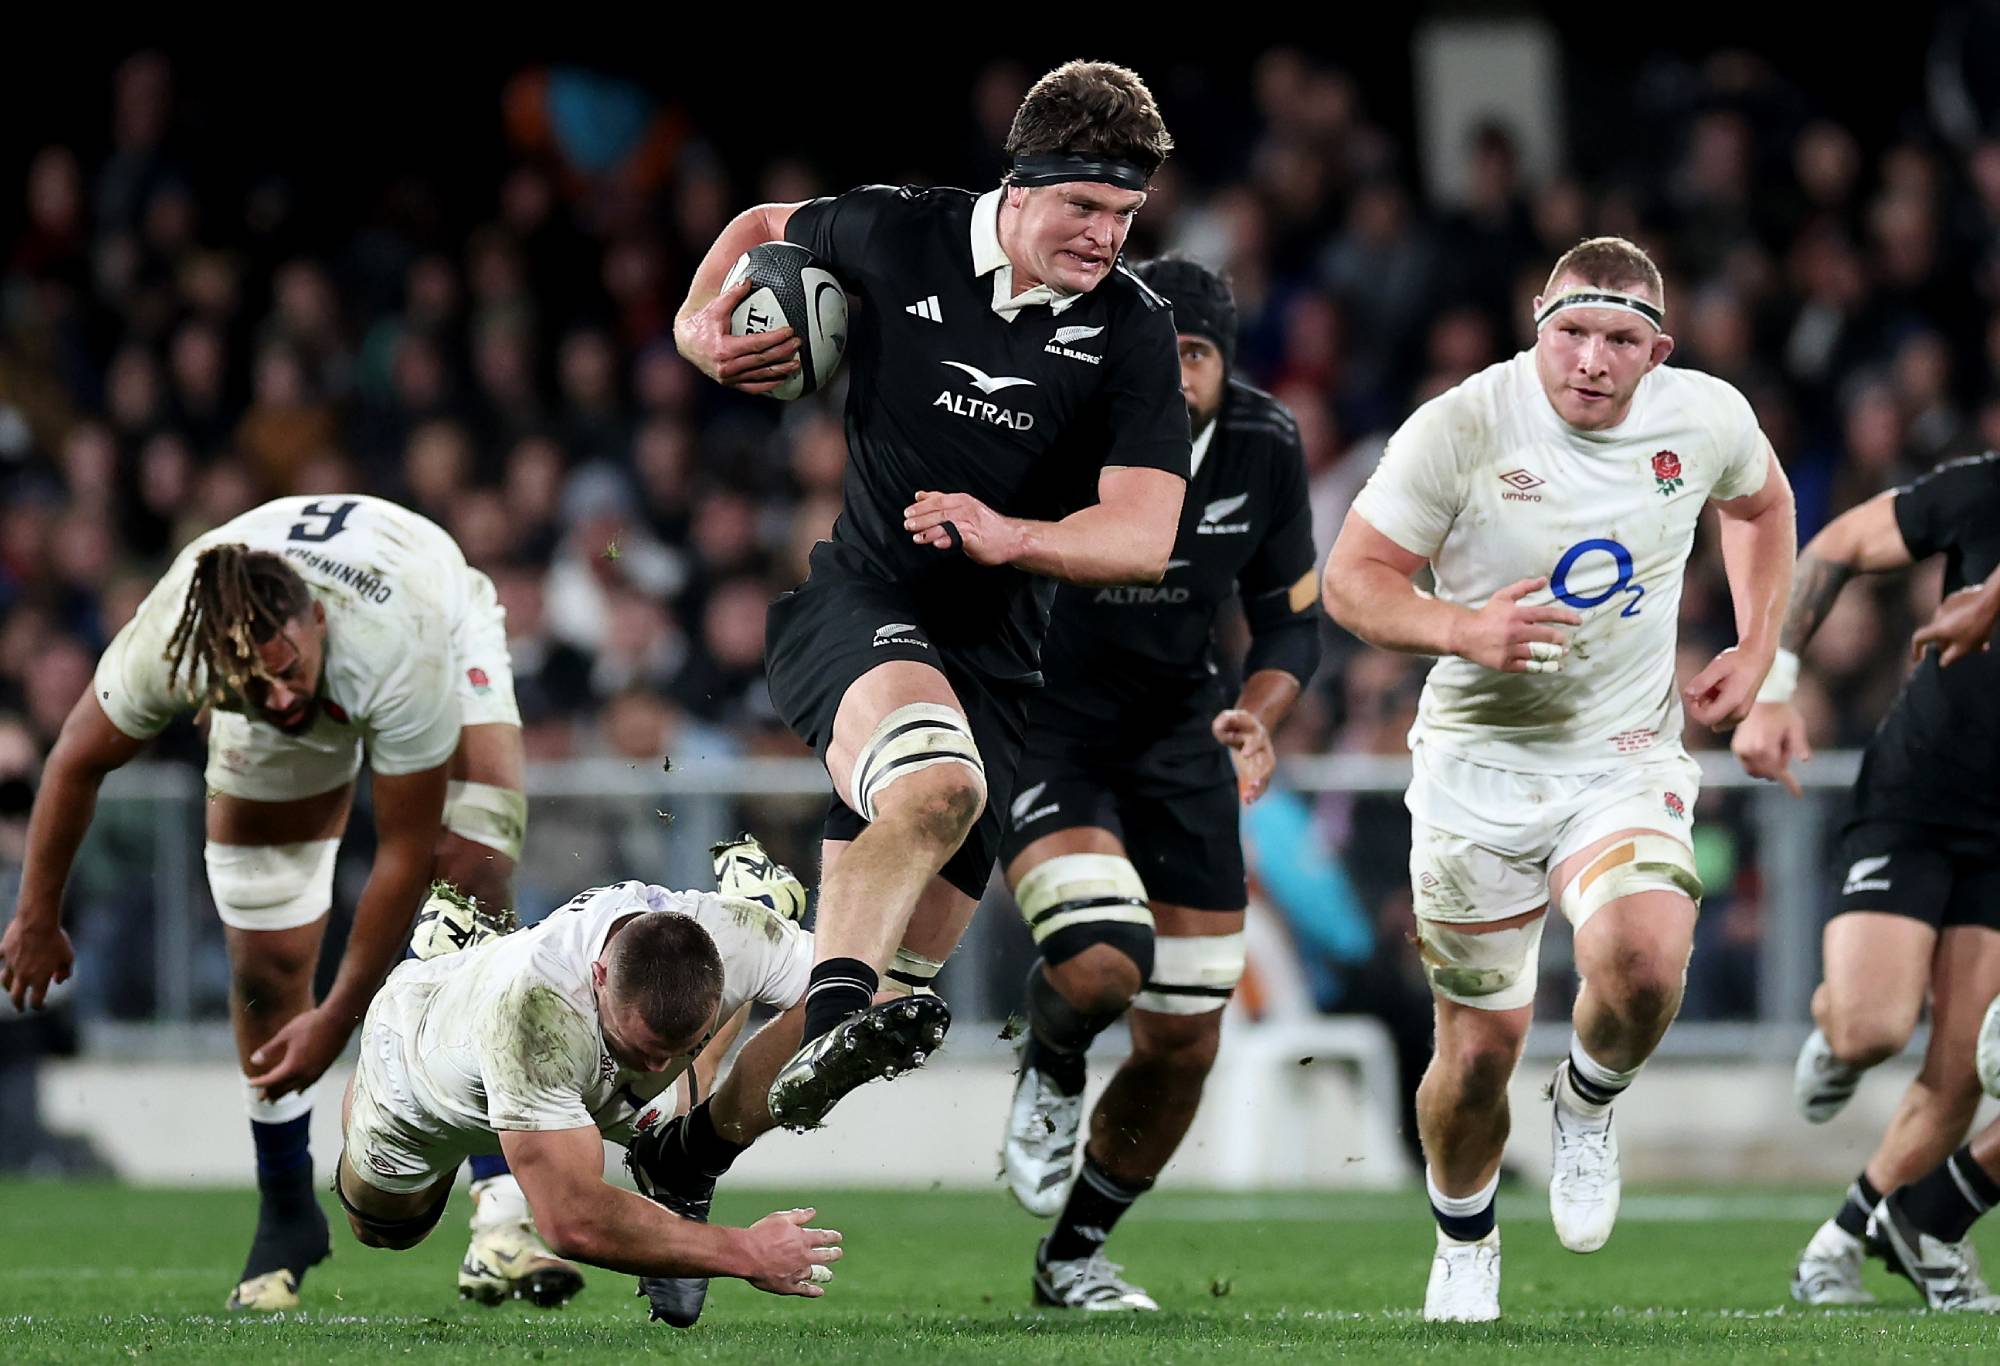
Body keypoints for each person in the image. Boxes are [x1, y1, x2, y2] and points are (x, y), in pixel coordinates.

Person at [669, 58, 1187, 1136]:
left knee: (896, 977)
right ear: (1018, 184)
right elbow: (768, 218)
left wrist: (1014, 536)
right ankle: (826, 1013)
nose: (1105, 235)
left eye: (1124, 214)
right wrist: (694, 325)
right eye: (1083, 206)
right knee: (936, 791)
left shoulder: (1132, 328)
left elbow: (1143, 534)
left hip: (996, 663)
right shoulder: (897, 232)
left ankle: (687, 1155)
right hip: (859, 601)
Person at [1322, 237, 1796, 1322]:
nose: (1589, 358)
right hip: (1474, 771)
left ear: (1655, 350)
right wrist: (1459, 626)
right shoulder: (1462, 425)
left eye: (1618, 339)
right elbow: (1351, 581)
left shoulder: (1703, 415)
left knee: (1638, 961)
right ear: (1535, 322)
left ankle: (1587, 1100)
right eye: (1570, 332)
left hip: (1620, 756)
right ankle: (1462, 1236)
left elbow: (1761, 505)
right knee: (1474, 1054)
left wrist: (1759, 644)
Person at [0, 494, 572, 1310]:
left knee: (472, 870)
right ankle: (285, 1212)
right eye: (248, 685)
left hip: (434, 605)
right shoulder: (177, 639)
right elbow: (74, 762)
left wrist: (337, 1017)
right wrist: (34, 915)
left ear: (316, 623)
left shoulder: (391, 642)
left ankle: (502, 1210)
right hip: (311, 637)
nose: (273, 699)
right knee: (265, 965)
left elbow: (405, 851)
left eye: (284, 671)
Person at [990, 257, 1321, 1310]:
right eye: (1160, 350)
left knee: (1185, 1034)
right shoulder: (1054, 420)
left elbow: (1290, 621)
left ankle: (1072, 1254)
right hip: (1046, 721)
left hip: (1184, 729)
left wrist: (1255, 719)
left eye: (1196, 353)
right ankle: (1047, 1065)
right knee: (1100, 967)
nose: (1176, 374)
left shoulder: (1265, 443)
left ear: (1224, 362)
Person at [1732, 451, 2000, 1307]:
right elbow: (1837, 544)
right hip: (1919, 793)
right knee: (1872, 1031)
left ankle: (1835, 1249)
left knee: (1959, 1075)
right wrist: (1776, 683)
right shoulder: (1982, 490)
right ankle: (1830, 1021)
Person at [336, 877, 844, 1311]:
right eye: (645, 1048)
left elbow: (853, 983)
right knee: (387, 1231)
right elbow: (572, 1220)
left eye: (679, 1050)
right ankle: (439, 959)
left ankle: (757, 915)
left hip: (579, 1065)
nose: (658, 1068)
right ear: (599, 977)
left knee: (676, 1110)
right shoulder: (532, 1017)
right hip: (420, 1070)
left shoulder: (737, 934)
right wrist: (745, 1251)